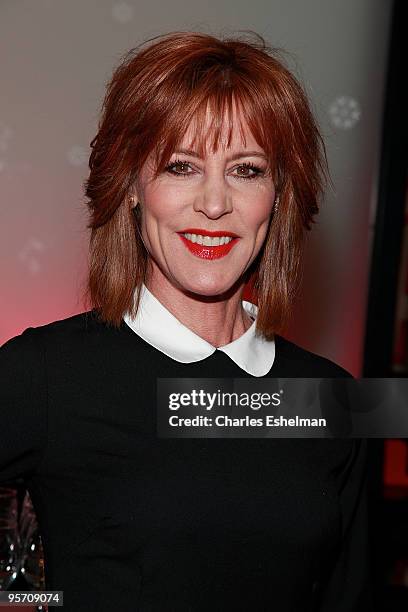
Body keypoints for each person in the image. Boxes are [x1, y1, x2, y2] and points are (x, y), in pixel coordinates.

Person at [0, 31, 372, 610]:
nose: (215, 203)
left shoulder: (333, 398)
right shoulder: (45, 375)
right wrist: (35, 601)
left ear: (279, 196)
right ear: (130, 186)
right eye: (181, 166)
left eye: (247, 170)